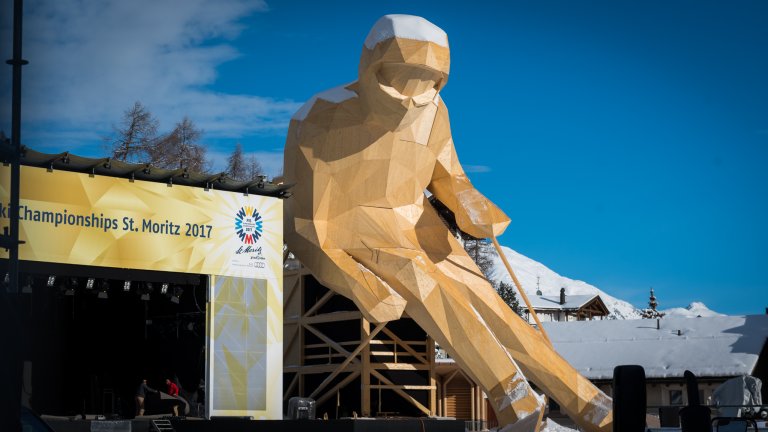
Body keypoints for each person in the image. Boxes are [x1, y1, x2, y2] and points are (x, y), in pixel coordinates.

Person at [283, 14, 612, 432]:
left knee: (490, 305)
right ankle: (513, 398)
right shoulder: (317, 119)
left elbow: (449, 177)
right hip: (355, 223)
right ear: (371, 70)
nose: (411, 99)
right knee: (428, 287)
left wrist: (471, 205)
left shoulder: (433, 111)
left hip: (417, 222)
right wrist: (354, 279)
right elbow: (302, 225)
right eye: (400, 81)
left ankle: (587, 400)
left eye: (426, 85)